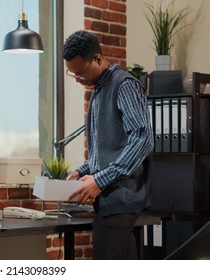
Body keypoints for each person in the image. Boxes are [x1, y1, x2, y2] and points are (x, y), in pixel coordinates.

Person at [63, 30, 154, 260]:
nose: (78, 79)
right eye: (72, 74)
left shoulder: (123, 85)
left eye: (81, 73)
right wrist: (81, 172)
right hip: (109, 201)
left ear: (98, 59)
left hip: (121, 200)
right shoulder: (99, 91)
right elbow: (109, 149)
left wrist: (100, 179)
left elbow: (142, 139)